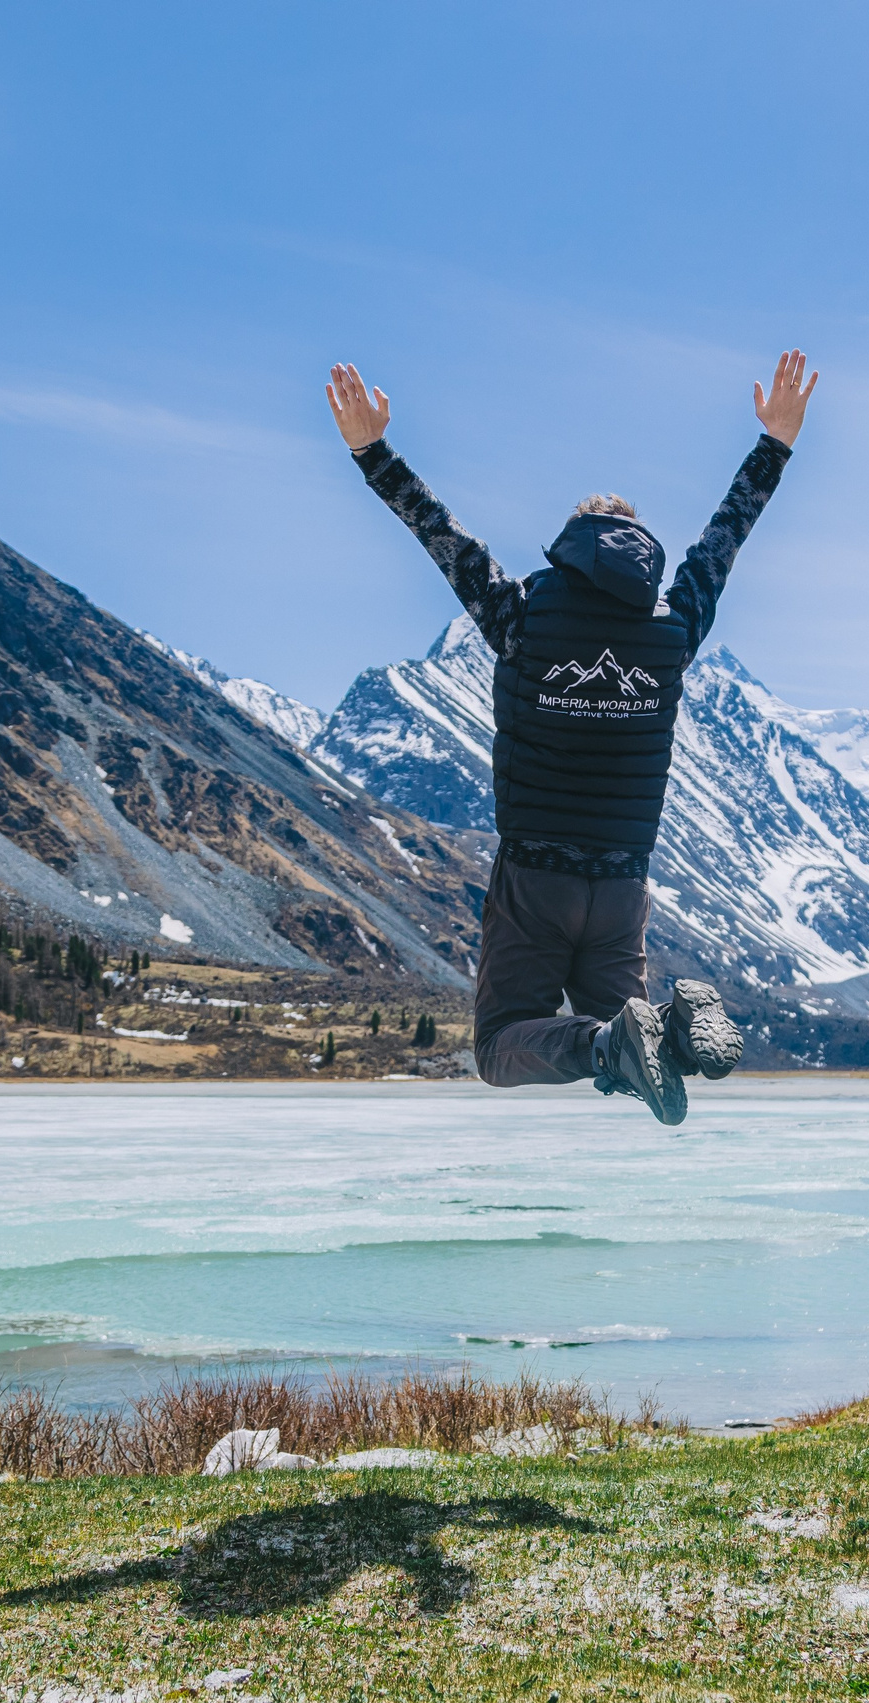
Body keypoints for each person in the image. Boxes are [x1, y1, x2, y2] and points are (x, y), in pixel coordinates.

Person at [326, 351, 816, 1124]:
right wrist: (774, 445)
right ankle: (679, 1022)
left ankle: (615, 1041)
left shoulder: (521, 614)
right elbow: (725, 540)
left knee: (501, 1047)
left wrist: (372, 452)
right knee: (639, 1039)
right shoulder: (673, 625)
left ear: (569, 540)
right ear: (639, 550)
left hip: (536, 879)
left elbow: (437, 532)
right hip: (622, 885)